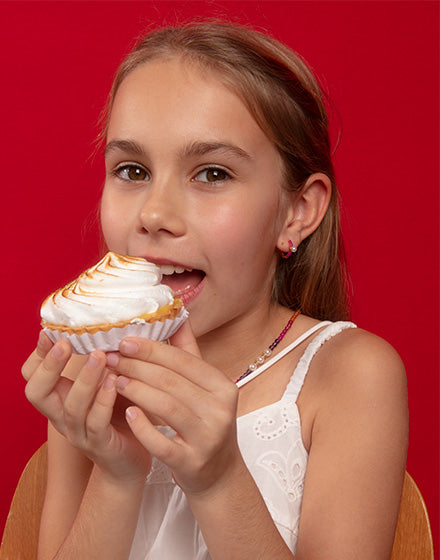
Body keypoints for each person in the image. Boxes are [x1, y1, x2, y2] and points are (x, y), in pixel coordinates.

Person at [22, 21, 408, 560]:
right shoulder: (87, 378)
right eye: (132, 170)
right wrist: (115, 474)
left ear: (297, 212)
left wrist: (219, 479)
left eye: (211, 174)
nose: (154, 215)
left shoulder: (348, 376)